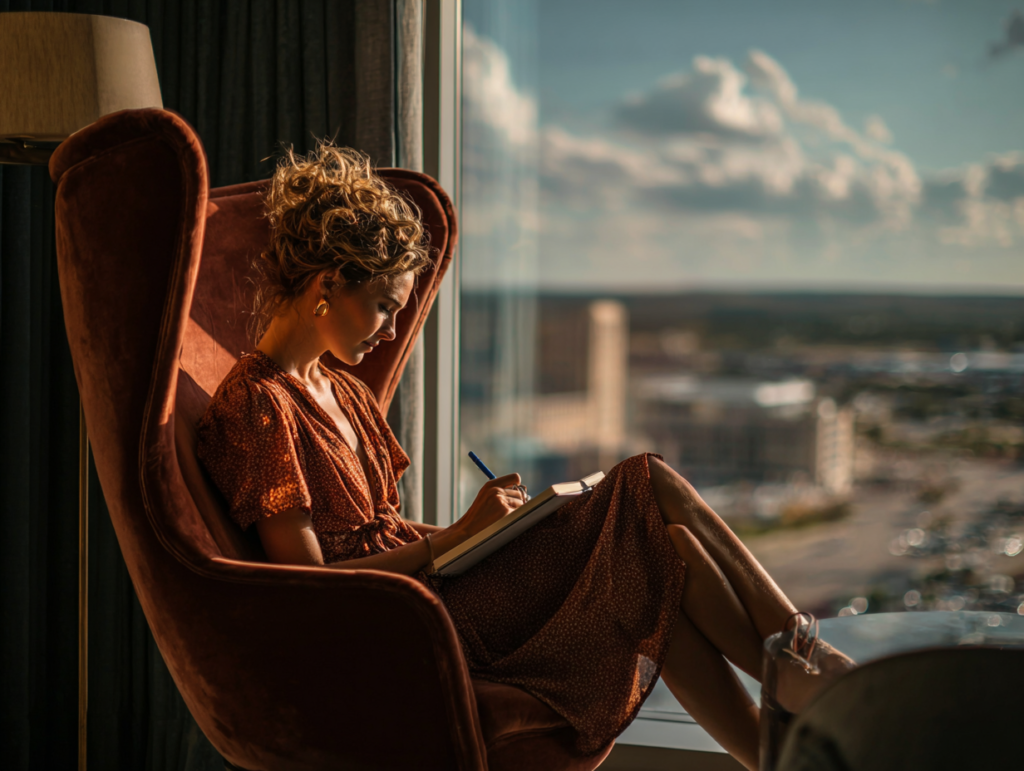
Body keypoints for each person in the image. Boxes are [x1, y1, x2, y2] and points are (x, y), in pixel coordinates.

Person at [196, 143, 846, 771]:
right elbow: (309, 586)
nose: (391, 331)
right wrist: (455, 538)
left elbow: (386, 531)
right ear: (329, 283)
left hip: (441, 587)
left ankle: (781, 747)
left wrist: (490, 534)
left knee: (667, 553)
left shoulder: (342, 389)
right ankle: (808, 668)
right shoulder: (259, 405)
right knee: (646, 482)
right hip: (409, 625)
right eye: (384, 307)